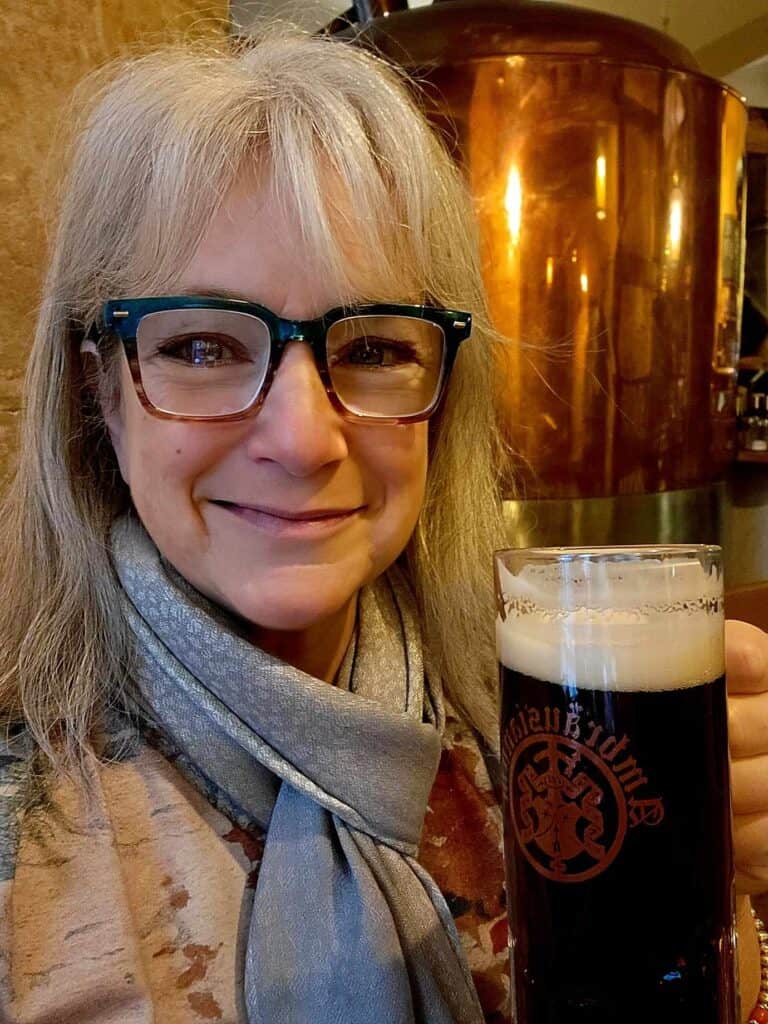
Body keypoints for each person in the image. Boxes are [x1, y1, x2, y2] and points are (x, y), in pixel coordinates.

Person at [0, 25, 766, 1024]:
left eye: (370, 345)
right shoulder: (28, 826)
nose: (305, 438)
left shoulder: (525, 726)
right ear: (103, 391)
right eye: (200, 345)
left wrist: (720, 892)